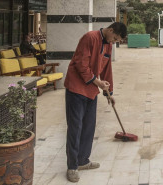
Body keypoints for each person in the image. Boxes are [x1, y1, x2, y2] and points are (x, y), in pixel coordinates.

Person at [64, 22, 127, 183]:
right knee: (75, 127)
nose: (113, 41)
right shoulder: (90, 38)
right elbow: (81, 64)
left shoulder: (108, 45)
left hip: (91, 91)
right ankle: (72, 166)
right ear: (110, 30)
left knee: (89, 126)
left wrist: (109, 93)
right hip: (76, 88)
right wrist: (97, 83)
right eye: (114, 38)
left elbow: (106, 70)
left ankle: (83, 161)